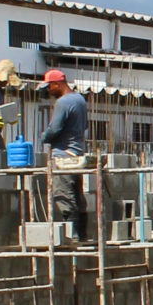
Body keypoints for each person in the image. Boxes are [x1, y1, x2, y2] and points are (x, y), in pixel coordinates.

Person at [37, 68, 90, 238]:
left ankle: (72, 237)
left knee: (63, 196)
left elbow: (55, 129)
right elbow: (85, 125)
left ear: (57, 84)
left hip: (63, 156)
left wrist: (44, 137)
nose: (49, 91)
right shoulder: (80, 99)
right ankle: (82, 235)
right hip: (77, 155)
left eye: (49, 87)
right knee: (76, 195)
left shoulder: (63, 102)